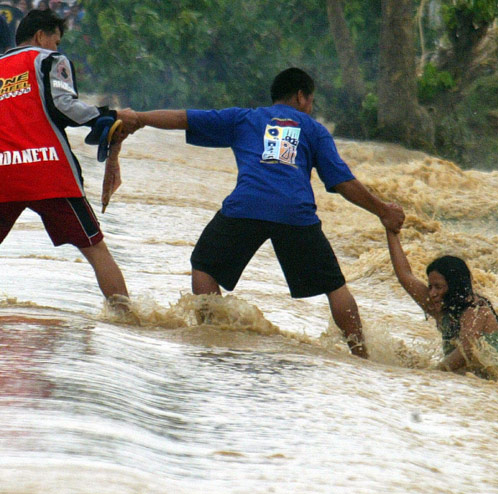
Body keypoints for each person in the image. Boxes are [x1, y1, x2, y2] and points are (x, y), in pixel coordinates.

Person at [132, 67, 404, 359]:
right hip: (296, 214)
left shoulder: (244, 118)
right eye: (310, 101)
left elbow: (182, 118)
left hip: (246, 207)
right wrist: (382, 211)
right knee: (335, 287)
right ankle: (361, 355)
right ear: (301, 96)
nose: (310, 107)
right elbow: (342, 182)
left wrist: (138, 118)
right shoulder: (314, 130)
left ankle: (211, 335)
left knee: (204, 266)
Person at [0, 10, 141, 305]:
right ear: (41, 36)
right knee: (95, 249)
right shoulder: (49, 59)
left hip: (4, 174)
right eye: (56, 41)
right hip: (49, 173)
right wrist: (108, 115)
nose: (57, 47)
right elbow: (64, 105)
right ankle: (126, 319)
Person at [385, 228, 498, 396]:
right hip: (492, 388)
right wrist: (391, 230)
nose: (432, 293)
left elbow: (465, 351)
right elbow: (405, 276)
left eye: (438, 287)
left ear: (455, 286)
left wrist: (430, 375)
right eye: (430, 286)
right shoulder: (440, 307)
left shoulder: (476, 309)